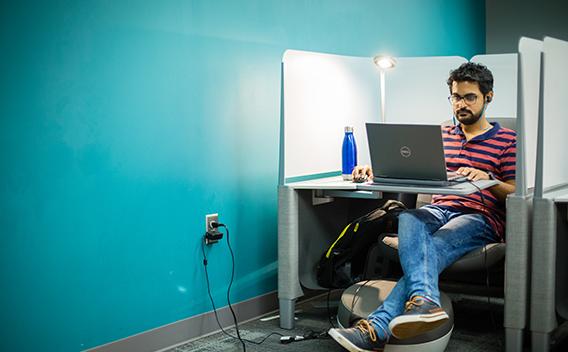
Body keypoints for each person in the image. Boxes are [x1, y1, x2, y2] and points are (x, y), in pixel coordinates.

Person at [328, 62, 516, 351]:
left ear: (488, 97)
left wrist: (490, 179)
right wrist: (374, 169)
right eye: (455, 97)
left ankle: (375, 328)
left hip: (478, 216)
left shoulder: (507, 141)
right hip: (439, 210)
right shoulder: (440, 135)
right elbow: (411, 170)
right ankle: (425, 303)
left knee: (435, 245)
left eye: (469, 97)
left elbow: (516, 192)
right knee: (409, 219)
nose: (460, 104)